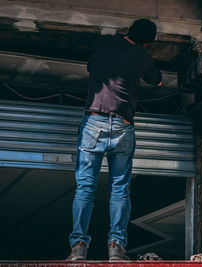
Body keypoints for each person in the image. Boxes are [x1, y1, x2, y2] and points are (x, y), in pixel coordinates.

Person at [66, 18, 162, 261]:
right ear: (147, 43)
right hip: (122, 126)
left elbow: (91, 67)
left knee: (85, 187)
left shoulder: (104, 43)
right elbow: (157, 80)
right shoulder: (142, 56)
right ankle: (116, 248)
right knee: (119, 189)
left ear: (128, 30)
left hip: (94, 121)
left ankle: (78, 246)